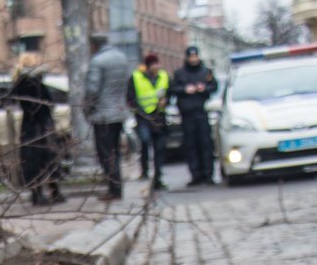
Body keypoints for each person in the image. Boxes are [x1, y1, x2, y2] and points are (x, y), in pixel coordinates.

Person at [10, 53, 66, 206]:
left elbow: (15, 100)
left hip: (29, 126)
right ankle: (54, 192)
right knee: (49, 158)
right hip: (43, 125)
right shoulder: (37, 82)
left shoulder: (19, 82)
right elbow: (49, 102)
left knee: (32, 160)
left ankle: (37, 193)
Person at [85, 41, 130, 201]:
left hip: (103, 114)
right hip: (119, 111)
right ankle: (116, 187)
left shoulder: (98, 61)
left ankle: (114, 188)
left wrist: (87, 108)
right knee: (115, 152)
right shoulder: (122, 58)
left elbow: (92, 89)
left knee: (105, 153)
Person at [171, 46, 218, 185]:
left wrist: (204, 88)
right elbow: (173, 89)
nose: (193, 59)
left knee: (206, 144)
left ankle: (208, 174)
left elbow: (214, 86)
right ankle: (195, 175)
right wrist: (185, 90)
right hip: (187, 114)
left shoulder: (206, 72)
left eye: (195, 56)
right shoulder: (180, 73)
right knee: (191, 145)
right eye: (191, 57)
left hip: (202, 112)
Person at [127, 52, 170, 192]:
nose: (156, 67)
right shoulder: (136, 77)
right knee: (145, 142)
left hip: (159, 116)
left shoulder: (163, 76)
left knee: (159, 147)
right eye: (153, 64)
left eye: (157, 64)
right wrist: (138, 110)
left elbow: (170, 92)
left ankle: (158, 176)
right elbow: (130, 98)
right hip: (143, 117)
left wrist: (166, 101)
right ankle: (145, 170)